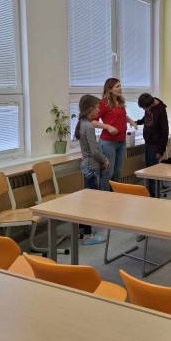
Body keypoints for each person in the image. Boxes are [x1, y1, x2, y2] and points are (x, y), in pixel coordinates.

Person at [74, 94, 109, 245]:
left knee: (86, 200)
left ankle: (83, 230)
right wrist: (104, 160)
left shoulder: (83, 123)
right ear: (90, 108)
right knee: (90, 203)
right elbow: (94, 151)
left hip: (86, 166)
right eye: (97, 107)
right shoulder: (88, 126)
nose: (99, 109)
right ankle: (88, 236)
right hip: (91, 167)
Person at [92, 78, 137, 192]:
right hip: (108, 143)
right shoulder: (103, 103)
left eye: (120, 86)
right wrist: (107, 126)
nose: (121, 88)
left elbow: (122, 116)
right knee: (108, 173)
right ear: (109, 89)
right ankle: (105, 198)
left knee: (117, 173)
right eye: (117, 86)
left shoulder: (120, 102)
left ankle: (116, 197)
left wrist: (131, 121)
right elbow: (92, 121)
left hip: (121, 142)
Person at [136, 93, 169, 196]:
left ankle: (154, 194)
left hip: (156, 145)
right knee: (148, 168)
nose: (144, 110)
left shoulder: (161, 110)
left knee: (153, 170)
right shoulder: (148, 103)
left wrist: (161, 150)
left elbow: (165, 131)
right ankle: (149, 191)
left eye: (145, 108)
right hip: (148, 142)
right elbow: (146, 118)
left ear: (151, 104)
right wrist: (138, 122)